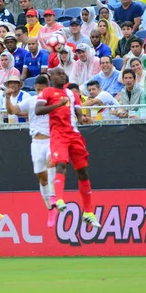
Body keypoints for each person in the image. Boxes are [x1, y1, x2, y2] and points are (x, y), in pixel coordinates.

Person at [35, 67, 101, 228]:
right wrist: (57, 105)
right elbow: (38, 110)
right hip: (58, 134)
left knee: (83, 172)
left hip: (74, 135)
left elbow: (78, 116)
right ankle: (58, 199)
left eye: (64, 73)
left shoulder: (72, 94)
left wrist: (84, 119)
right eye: (58, 73)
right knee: (61, 164)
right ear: (51, 77)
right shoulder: (47, 93)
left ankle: (88, 211)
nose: (62, 75)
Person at [5, 74, 57, 226]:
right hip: (36, 142)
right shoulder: (31, 101)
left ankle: (54, 199)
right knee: (42, 177)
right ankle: (50, 209)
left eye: (43, 89)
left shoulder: (55, 102)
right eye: (38, 89)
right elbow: (12, 111)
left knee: (51, 166)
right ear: (35, 88)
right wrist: (7, 98)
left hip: (52, 141)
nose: (41, 92)